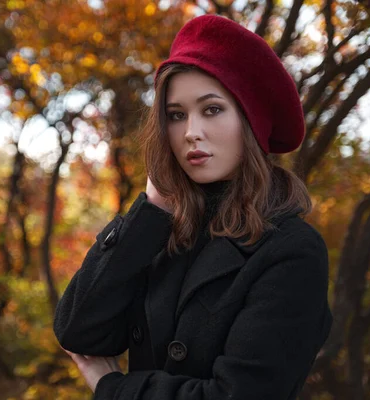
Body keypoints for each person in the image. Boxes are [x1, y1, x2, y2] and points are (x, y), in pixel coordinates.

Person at [53, 14, 333, 400]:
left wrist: (112, 388)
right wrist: (149, 211)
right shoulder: (163, 229)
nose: (190, 132)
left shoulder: (292, 250)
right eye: (176, 115)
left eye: (212, 109)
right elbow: (78, 331)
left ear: (251, 122)